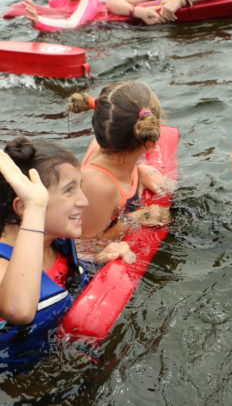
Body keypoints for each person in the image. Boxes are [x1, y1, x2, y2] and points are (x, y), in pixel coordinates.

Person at [0, 137, 134, 372]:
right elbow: (20, 310)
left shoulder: (54, 241)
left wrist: (97, 259)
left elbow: (58, 277)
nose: (84, 201)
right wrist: (35, 207)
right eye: (69, 191)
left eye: (80, 187)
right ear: (23, 207)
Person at [68, 81, 173, 240]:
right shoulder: (98, 186)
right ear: (149, 143)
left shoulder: (111, 141)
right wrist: (135, 218)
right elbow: (83, 248)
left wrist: (140, 171)